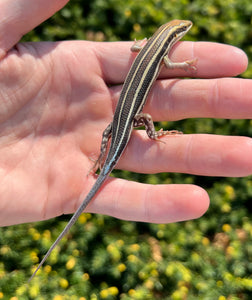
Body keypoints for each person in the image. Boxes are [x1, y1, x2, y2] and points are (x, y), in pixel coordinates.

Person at [0, 0, 251, 227]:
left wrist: (138, 45)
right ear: (173, 38)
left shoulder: (145, 49)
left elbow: (134, 51)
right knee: (145, 120)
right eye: (182, 30)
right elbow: (171, 65)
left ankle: (102, 160)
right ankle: (150, 137)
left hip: (121, 115)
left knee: (108, 133)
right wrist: (185, 66)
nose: (185, 31)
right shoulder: (162, 53)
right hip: (130, 116)